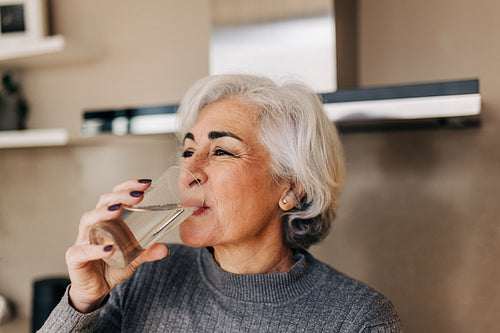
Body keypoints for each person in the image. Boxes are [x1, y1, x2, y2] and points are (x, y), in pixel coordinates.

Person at [40, 74, 402, 332]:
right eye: (188, 150)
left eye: (222, 151)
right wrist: (83, 302)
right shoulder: (142, 278)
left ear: (292, 188)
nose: (189, 171)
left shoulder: (358, 319)